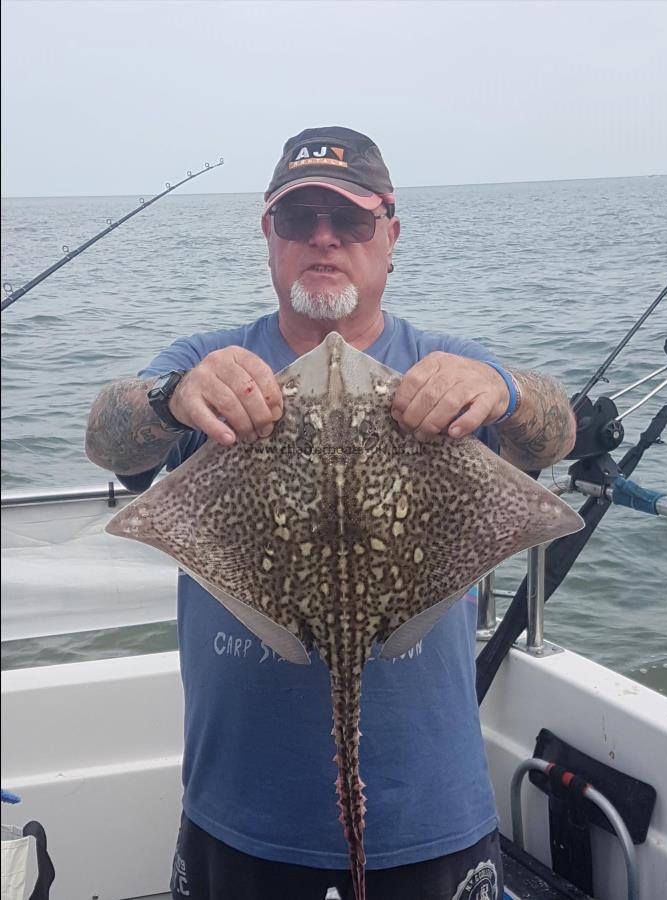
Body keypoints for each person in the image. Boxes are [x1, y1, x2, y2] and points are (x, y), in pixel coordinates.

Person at [85, 126, 576, 900]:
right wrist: (167, 396)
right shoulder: (208, 364)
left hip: (431, 813)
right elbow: (109, 439)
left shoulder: (447, 364)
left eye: (348, 221)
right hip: (239, 809)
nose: (322, 239)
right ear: (268, 236)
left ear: (390, 235)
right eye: (297, 219)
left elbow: (558, 429)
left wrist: (504, 388)